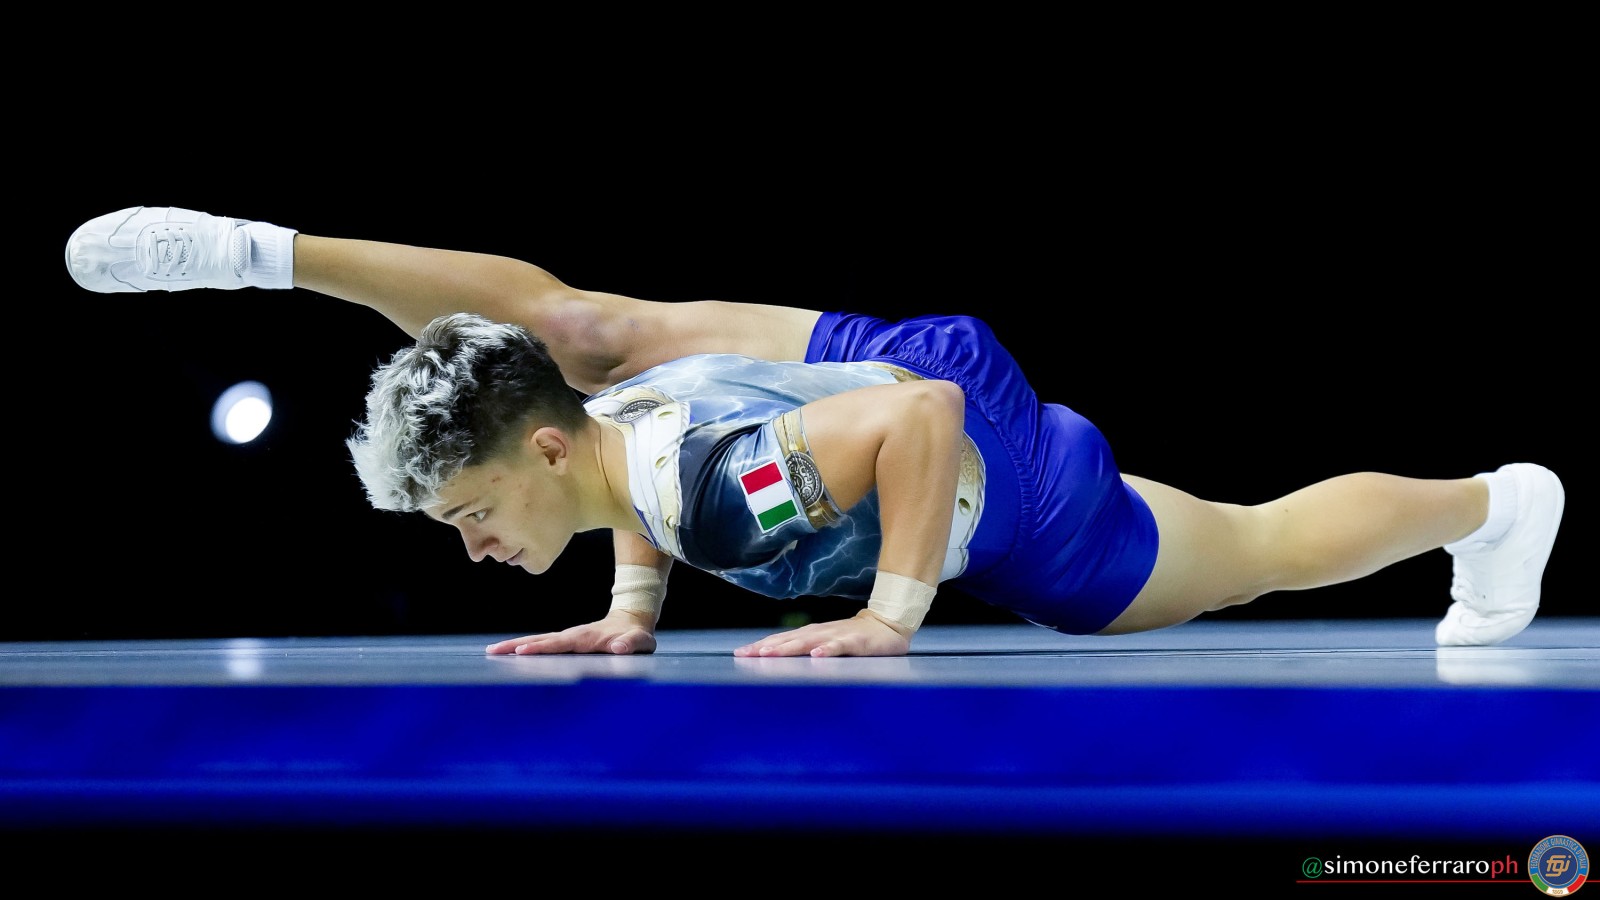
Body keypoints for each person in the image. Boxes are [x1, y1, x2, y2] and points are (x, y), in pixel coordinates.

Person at [64, 206, 1566, 657]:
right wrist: (630, 611)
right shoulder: (603, 439)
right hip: (942, 449)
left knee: (1243, 556)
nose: (469, 553)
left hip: (963, 453)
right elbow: (627, 477)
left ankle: (261, 253)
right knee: (586, 340)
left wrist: (890, 617)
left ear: (543, 458)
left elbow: (917, 416)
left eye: (467, 515)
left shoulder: (699, 480)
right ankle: (1500, 507)